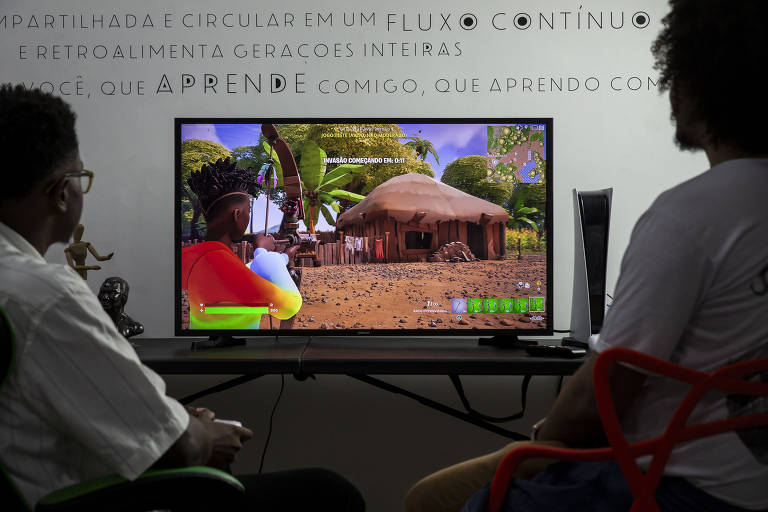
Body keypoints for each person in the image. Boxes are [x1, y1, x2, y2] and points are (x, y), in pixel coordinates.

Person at [406, 1, 768, 511]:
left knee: (438, 500)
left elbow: (602, 393)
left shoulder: (691, 214)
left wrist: (545, 432)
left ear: (698, 82)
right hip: (749, 487)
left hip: (667, 484)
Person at [0, 84, 364, 511]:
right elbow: (173, 444)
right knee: (327, 493)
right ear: (61, 192)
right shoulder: (46, 297)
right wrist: (208, 432)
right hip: (87, 496)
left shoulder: (190, 256)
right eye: (81, 178)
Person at [182, 157, 302, 330]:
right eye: (248, 212)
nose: (248, 217)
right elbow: (289, 306)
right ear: (237, 215)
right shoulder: (224, 266)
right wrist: (263, 255)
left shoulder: (196, 257)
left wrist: (283, 257)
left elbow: (236, 278)